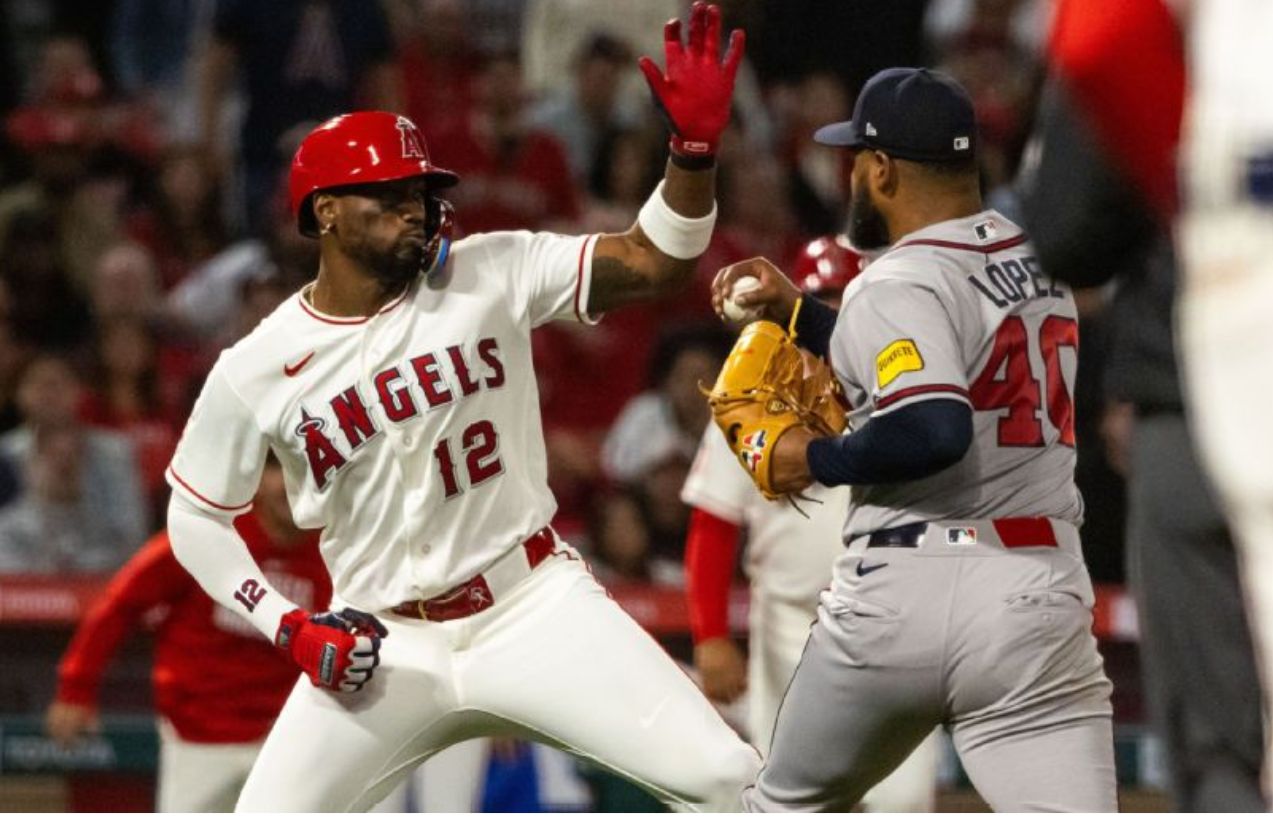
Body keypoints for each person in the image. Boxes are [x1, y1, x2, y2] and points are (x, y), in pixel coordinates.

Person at [164, 4, 758, 812]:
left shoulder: (488, 269)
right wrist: (287, 624)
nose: (414, 205)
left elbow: (656, 262)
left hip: (530, 604)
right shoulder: (256, 365)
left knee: (728, 780)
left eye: (419, 189)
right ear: (324, 212)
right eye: (387, 193)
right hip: (382, 641)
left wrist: (689, 154)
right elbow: (195, 517)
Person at [711, 67, 1116, 812]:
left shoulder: (894, 278)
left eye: (855, 161)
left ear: (882, 168)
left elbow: (935, 425)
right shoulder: (1035, 259)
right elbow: (939, 355)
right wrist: (802, 316)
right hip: (1034, 590)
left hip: (903, 589)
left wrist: (815, 458)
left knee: (782, 808)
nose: (851, 177)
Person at [1019, 0, 1264, 809]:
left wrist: (1176, 187)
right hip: (1199, 391)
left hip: (1209, 392)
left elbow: (1069, 226)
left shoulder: (1178, 20)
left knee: (1221, 752)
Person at [682, 235, 941, 812]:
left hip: (892, 618)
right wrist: (712, 637)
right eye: (818, 297)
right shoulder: (751, 402)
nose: (828, 311)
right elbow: (713, 525)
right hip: (789, 625)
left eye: (839, 301)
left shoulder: (900, 396)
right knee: (792, 796)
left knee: (902, 802)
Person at [44, 457, 331, 812]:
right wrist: (76, 689)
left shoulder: (338, 554)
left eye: (305, 472)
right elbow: (120, 603)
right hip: (198, 733)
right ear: (255, 480)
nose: (291, 485)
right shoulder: (210, 535)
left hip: (286, 739)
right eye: (278, 470)